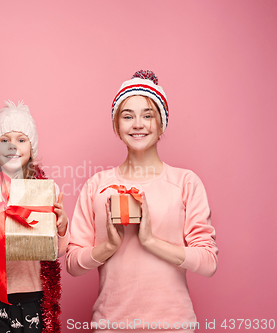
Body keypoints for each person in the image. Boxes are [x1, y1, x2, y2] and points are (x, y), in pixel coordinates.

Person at [66, 70, 218, 333]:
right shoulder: (97, 185)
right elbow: (73, 264)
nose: (138, 124)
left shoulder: (185, 182)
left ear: (161, 124)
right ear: (116, 125)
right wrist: (110, 246)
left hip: (173, 326)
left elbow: (208, 262)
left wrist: (149, 241)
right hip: (110, 325)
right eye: (128, 116)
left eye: (148, 115)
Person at [0, 101, 69, 333]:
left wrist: (61, 226)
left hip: (36, 296)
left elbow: (58, 249)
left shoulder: (47, 190)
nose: (13, 146)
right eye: (5, 140)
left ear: (31, 148)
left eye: (21, 140)